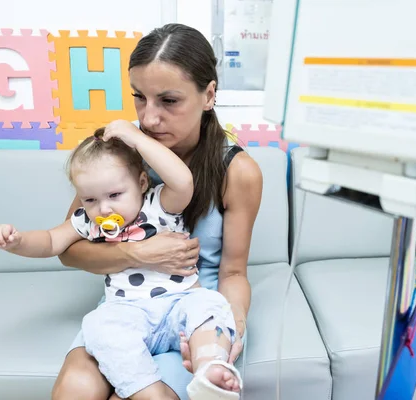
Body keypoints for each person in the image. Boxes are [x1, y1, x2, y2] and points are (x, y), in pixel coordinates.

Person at [50, 23, 263, 400]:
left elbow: (232, 271)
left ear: (209, 95)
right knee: (75, 389)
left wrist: (232, 326)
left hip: (192, 312)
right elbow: (69, 249)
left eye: (168, 100)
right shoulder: (120, 152)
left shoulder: (238, 171)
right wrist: (134, 252)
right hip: (124, 310)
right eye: (140, 98)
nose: (149, 119)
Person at [0, 119, 245, 399]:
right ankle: (145, 388)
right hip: (127, 310)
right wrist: (17, 241)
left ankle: (209, 370)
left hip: (180, 301)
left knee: (210, 306)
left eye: (115, 195)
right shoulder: (88, 221)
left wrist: (138, 138)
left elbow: (182, 181)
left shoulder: (160, 205)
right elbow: (50, 242)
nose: (104, 208)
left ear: (142, 182)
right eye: (90, 200)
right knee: (99, 326)